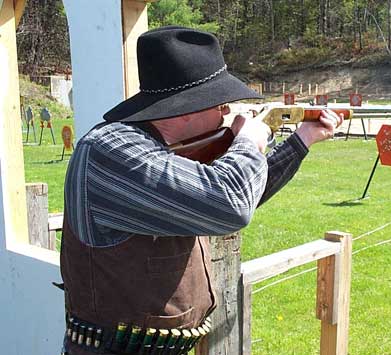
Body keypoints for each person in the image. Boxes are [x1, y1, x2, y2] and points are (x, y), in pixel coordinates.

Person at [60, 26, 343, 355]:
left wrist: (303, 139)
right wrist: (250, 141)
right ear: (189, 107)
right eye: (222, 106)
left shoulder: (158, 149)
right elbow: (229, 204)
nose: (227, 114)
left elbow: (239, 196)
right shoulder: (110, 151)